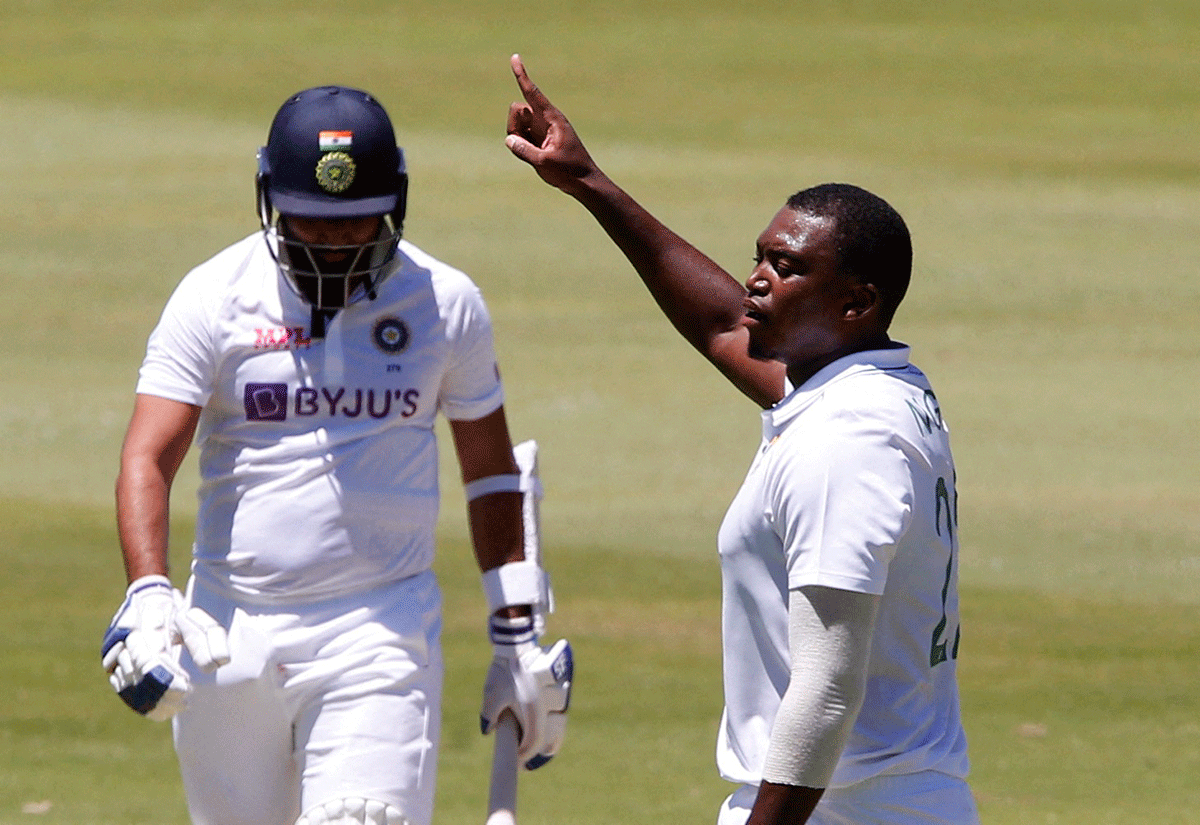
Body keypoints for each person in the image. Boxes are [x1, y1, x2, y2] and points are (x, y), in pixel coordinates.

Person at [504, 55, 978, 825]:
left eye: (785, 267)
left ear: (857, 302)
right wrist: (588, 181)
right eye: (760, 255)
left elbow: (825, 691)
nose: (757, 277)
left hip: (844, 810)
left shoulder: (846, 442)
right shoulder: (872, 387)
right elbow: (727, 324)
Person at [101, 84, 572, 825]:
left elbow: (490, 473)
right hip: (229, 627)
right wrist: (150, 593)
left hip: (378, 627)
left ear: (394, 204)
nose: (333, 243)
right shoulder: (213, 297)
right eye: (312, 223)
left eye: (355, 223)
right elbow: (147, 457)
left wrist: (516, 633)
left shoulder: (445, 303)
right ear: (268, 199)